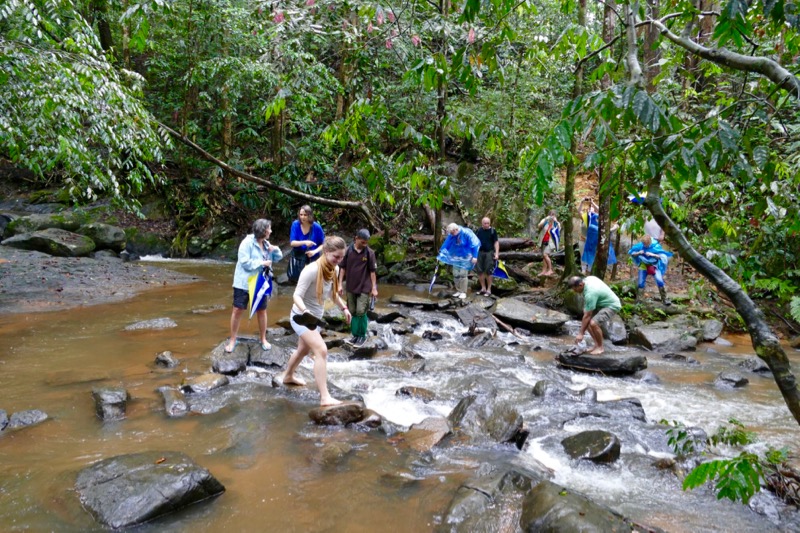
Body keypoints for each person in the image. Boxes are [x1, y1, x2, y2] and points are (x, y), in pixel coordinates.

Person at [281, 236, 352, 406]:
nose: (339, 261)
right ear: (326, 252)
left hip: (315, 319)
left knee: (302, 350)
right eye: (336, 257)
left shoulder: (333, 270)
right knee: (321, 350)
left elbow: (333, 294)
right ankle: (325, 397)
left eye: (342, 257)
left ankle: (288, 376)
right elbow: (296, 295)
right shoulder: (311, 270)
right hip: (301, 317)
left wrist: (344, 308)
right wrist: (305, 311)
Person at [225, 219, 283, 353]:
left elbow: (277, 257)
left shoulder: (266, 243)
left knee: (262, 310)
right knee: (238, 310)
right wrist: (262, 263)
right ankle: (233, 339)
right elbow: (244, 262)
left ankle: (263, 339)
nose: (271, 231)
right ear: (263, 231)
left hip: (261, 282)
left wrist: (275, 249)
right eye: (269, 228)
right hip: (243, 283)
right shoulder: (246, 243)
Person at [338, 229, 378, 347]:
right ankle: (355, 335)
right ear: (356, 238)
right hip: (350, 286)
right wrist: (340, 284)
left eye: (366, 242)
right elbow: (342, 268)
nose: (365, 243)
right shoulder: (348, 251)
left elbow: (372, 272)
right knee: (353, 311)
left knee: (361, 311)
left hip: (364, 287)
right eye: (363, 241)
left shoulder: (369, 253)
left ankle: (362, 336)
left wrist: (374, 288)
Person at [567, 275, 621, 356]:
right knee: (587, 321)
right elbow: (586, 314)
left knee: (593, 323)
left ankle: (600, 347)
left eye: (575, 289)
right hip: (600, 302)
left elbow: (587, 315)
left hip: (612, 305)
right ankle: (596, 345)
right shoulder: (587, 279)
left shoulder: (590, 293)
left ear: (581, 285)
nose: (575, 291)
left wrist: (581, 333)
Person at [437, 223, 480, 299]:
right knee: (456, 274)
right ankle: (459, 290)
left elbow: (475, 244)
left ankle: (463, 292)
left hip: (467, 256)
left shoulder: (466, 233)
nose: (451, 234)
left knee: (463, 274)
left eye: (452, 233)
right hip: (456, 256)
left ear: (456, 230)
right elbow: (447, 244)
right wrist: (441, 254)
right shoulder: (452, 234)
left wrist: (475, 256)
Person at [628, 234, 673, 305]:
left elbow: (662, 257)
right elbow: (632, 253)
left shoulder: (656, 246)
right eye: (643, 244)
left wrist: (653, 255)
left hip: (654, 266)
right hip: (643, 266)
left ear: (649, 242)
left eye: (646, 244)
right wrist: (638, 253)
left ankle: (665, 299)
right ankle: (639, 300)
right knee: (640, 283)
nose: (645, 246)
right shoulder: (640, 246)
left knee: (659, 281)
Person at [288, 205, 325, 282]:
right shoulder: (295, 224)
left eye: (305, 215)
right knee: (297, 280)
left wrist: (314, 251)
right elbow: (292, 243)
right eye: (301, 215)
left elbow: (323, 244)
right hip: (298, 257)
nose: (303, 217)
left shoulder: (316, 227)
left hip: (312, 258)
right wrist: (305, 242)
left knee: (311, 281)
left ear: (310, 215)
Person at [474, 217, 499, 295]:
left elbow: (496, 242)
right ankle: (483, 288)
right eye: (485, 223)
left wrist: (497, 253)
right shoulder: (478, 231)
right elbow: (474, 242)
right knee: (479, 271)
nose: (486, 225)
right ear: (482, 223)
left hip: (489, 252)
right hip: (479, 252)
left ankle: (489, 289)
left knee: (489, 271)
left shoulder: (492, 231)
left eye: (488, 223)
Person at [537, 210, 560, 276]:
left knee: (545, 255)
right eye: (551, 214)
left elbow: (559, 229)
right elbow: (539, 226)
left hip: (551, 242)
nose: (552, 216)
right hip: (543, 241)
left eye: (553, 215)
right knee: (544, 257)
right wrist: (546, 218)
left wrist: (555, 221)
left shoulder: (556, 224)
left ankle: (550, 270)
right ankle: (544, 271)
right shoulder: (545, 221)